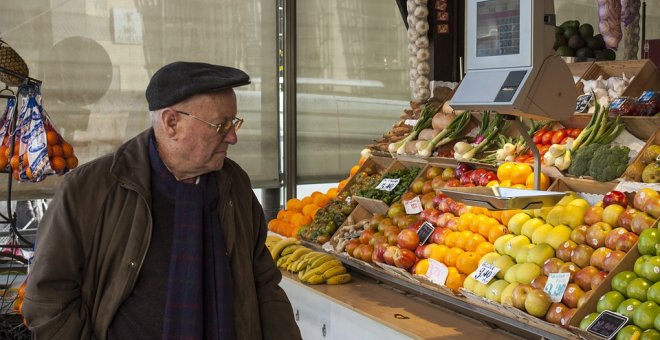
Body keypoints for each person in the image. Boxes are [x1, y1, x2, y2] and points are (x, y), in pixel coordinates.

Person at [22, 61, 302, 340]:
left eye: (234, 123)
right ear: (171, 123)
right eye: (221, 125)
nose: (232, 137)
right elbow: (48, 299)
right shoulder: (90, 190)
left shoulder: (234, 185)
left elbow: (263, 284)